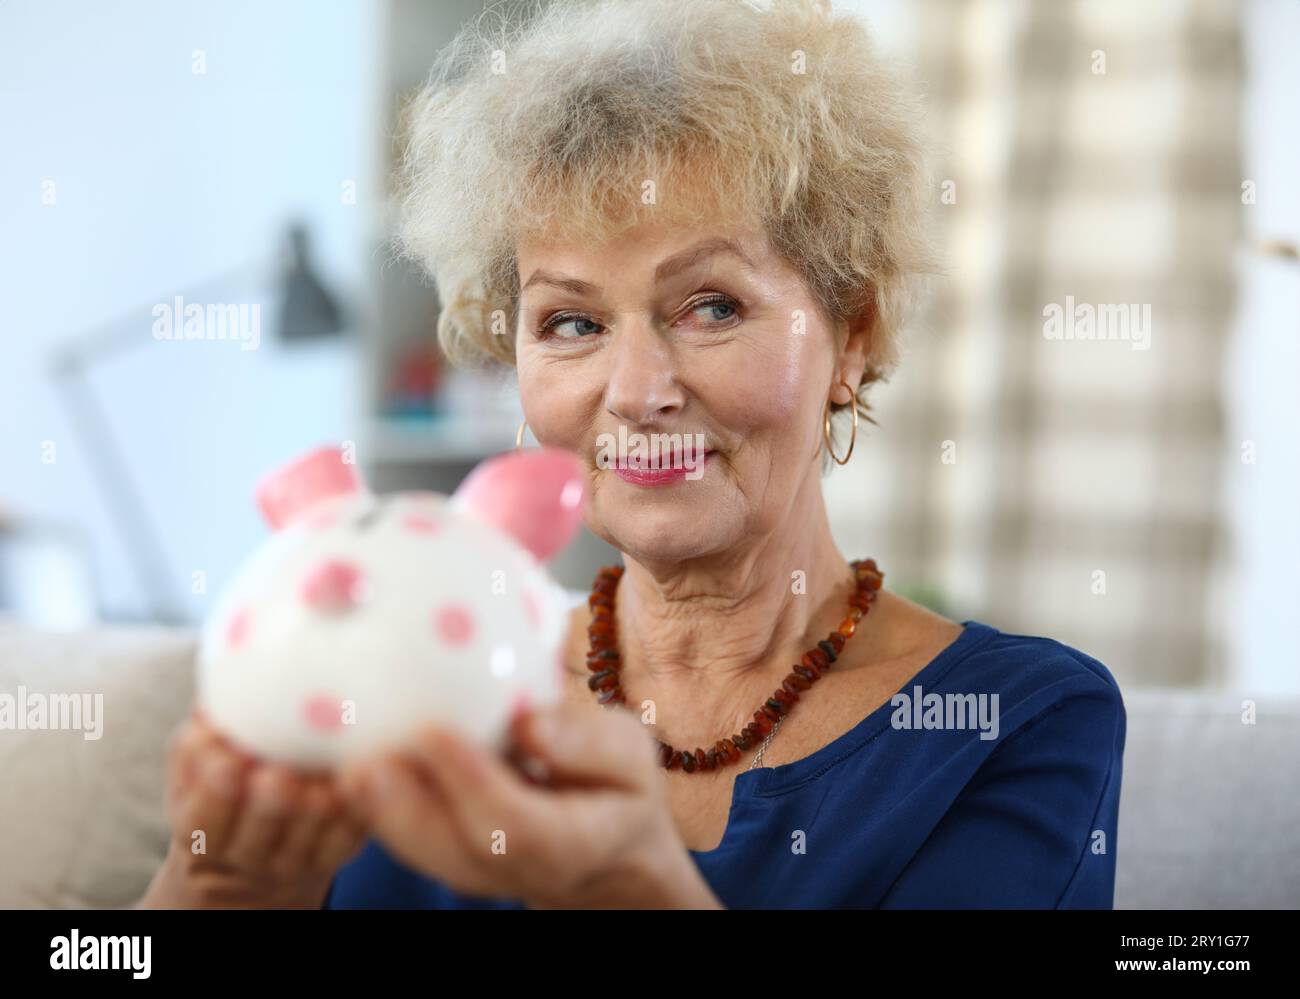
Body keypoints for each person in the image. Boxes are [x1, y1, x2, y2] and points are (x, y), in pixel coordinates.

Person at [139, 0, 1125, 910]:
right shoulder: (402, 674)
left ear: (851, 333)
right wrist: (212, 887)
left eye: (711, 307)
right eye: (570, 322)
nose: (636, 388)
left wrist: (623, 887)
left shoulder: (1014, 720)